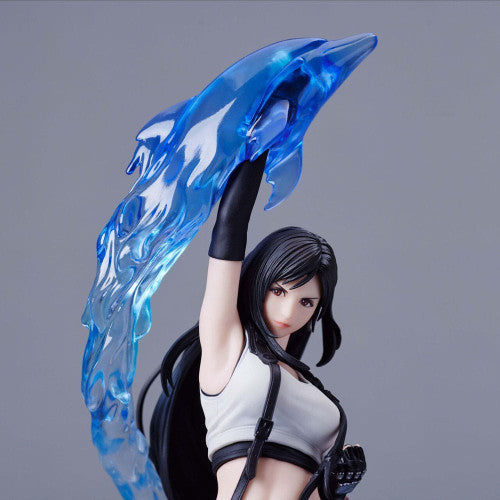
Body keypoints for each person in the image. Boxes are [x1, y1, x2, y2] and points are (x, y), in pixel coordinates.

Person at [139, 151, 366, 499]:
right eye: (278, 290)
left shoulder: (312, 389)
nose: (289, 311)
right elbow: (230, 228)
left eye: (307, 302)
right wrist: (258, 147)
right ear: (260, 282)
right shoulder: (230, 350)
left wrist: (337, 485)